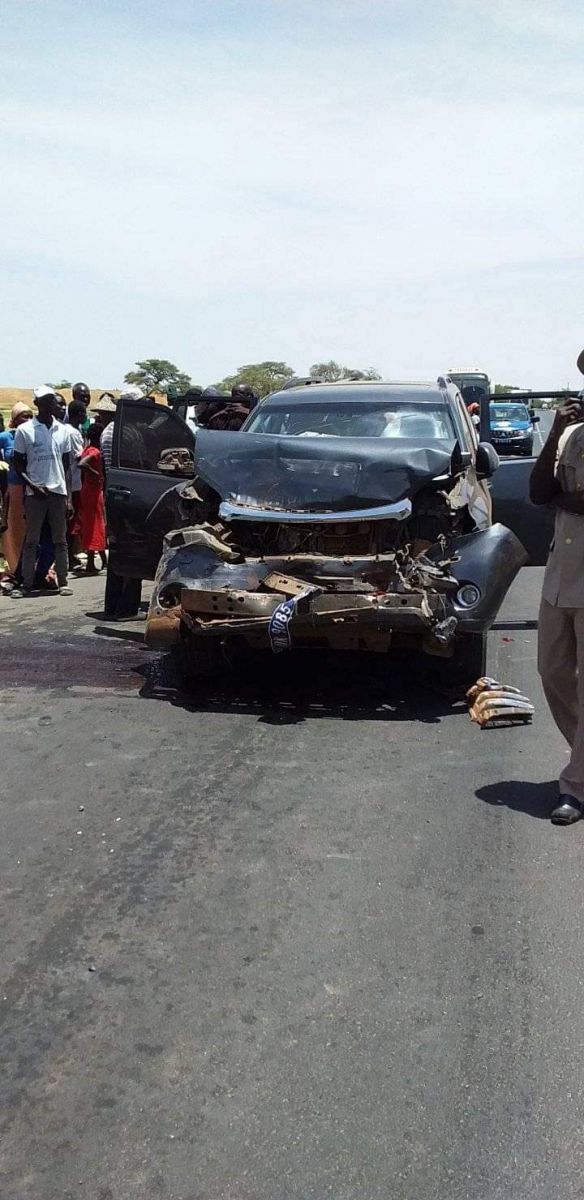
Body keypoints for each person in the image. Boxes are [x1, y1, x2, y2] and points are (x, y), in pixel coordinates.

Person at [530, 393, 584, 823]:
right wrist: (553, 431)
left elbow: (561, 499)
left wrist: (561, 499)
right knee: (552, 671)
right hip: (561, 575)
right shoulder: (571, 438)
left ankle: (576, 786)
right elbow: (537, 492)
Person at [11, 387, 73, 598]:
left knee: (60, 540)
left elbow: (65, 466)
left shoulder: (63, 431)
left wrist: (68, 498)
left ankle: (63, 582)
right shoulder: (25, 430)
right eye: (51, 402)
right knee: (31, 540)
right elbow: (18, 464)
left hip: (58, 492)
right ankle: (26, 584)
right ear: (40, 404)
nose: (56, 406)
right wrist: (33, 486)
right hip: (35, 493)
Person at [0, 402, 33, 572]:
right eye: (24, 416)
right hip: (11, 487)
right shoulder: (5, 437)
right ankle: (14, 568)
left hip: (32, 487)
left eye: (30, 416)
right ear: (14, 419)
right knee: (13, 529)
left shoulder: (33, 436)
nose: (27, 420)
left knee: (31, 531)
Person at [77, 424, 107, 573]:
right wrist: (95, 473)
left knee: (92, 526)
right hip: (94, 492)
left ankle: (101, 560)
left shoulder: (87, 450)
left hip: (87, 491)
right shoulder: (95, 452)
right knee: (96, 526)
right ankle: (91, 563)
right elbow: (82, 464)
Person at [67, 399, 87, 570]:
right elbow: (79, 457)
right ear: (79, 414)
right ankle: (70, 557)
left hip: (74, 481)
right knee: (72, 523)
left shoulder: (73, 430)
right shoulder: (73, 433)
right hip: (74, 482)